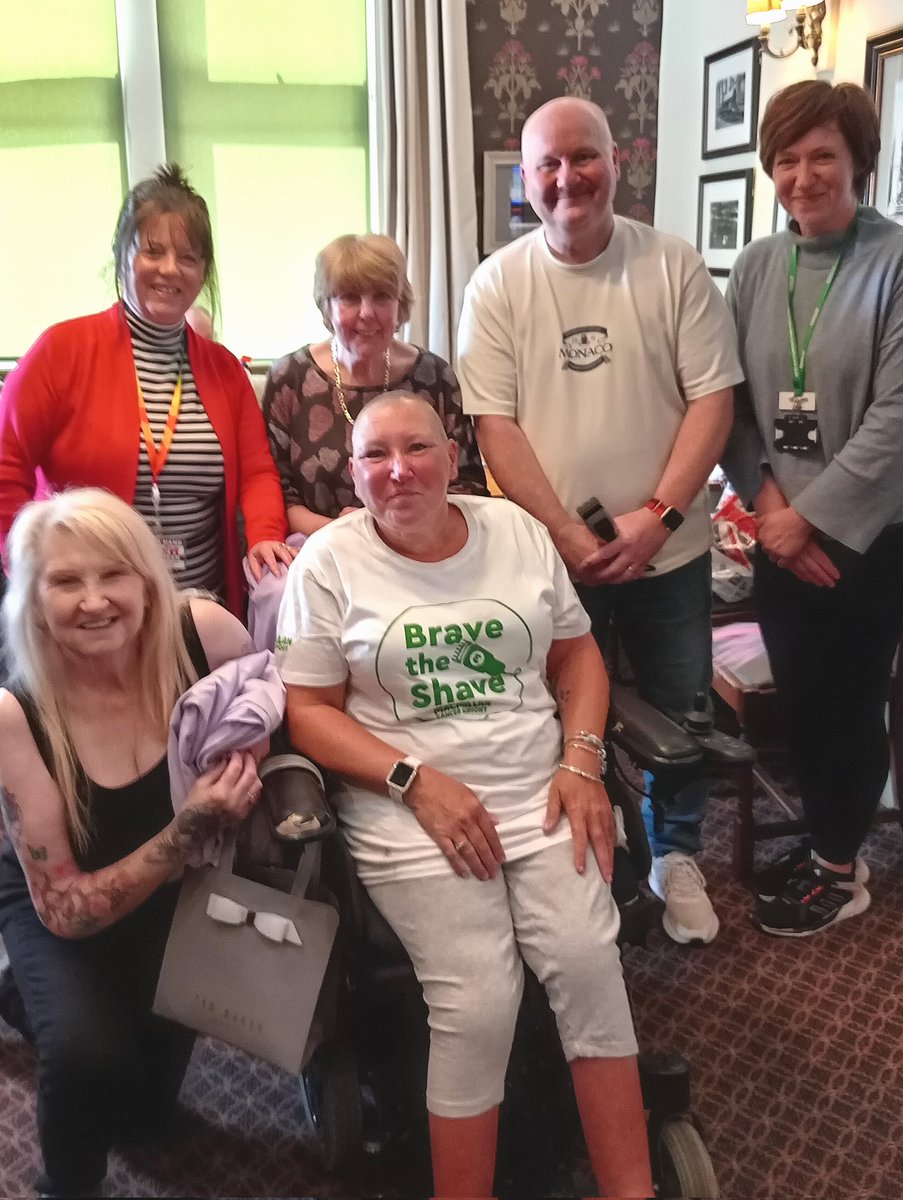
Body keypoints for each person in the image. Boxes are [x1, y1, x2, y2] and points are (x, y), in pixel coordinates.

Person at [277, 393, 653, 1199]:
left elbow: (577, 657)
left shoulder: (514, 531)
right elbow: (307, 713)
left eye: (416, 448)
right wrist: (415, 782)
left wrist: (582, 760)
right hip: (405, 804)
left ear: (454, 456)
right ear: (353, 474)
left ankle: (632, 1190)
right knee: (479, 998)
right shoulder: (329, 563)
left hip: (539, 787)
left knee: (588, 963)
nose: (398, 470)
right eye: (375, 456)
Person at [457, 97, 742, 945]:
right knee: (552, 715)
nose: (565, 177)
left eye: (583, 157)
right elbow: (493, 426)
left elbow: (712, 400)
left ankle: (675, 855)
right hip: (548, 560)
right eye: (546, 164)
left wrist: (656, 517)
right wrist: (566, 534)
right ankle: (598, 847)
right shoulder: (497, 282)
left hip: (672, 550)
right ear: (526, 179)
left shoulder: (673, 266)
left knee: (681, 710)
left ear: (616, 163)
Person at [0, 489, 264, 1197]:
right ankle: (65, 1183)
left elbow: (268, 699)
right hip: (62, 900)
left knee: (146, 1117)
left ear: (148, 579)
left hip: (178, 891)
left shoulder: (204, 632)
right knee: (87, 1059)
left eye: (112, 574)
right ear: (32, 600)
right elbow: (65, 910)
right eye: (65, 581)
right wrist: (189, 829)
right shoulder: (13, 714)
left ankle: (26, 1000)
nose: (93, 602)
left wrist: (247, 754)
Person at [721, 80, 903, 937]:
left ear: (859, 163)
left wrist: (808, 522)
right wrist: (771, 510)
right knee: (801, 700)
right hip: (779, 524)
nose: (801, 175)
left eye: (821, 157)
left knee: (847, 699)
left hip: (876, 531)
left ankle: (841, 872)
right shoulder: (756, 265)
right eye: (784, 159)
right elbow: (729, 401)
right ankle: (826, 842)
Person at [0, 164, 290, 620]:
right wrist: (25, 568)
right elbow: (6, 465)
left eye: (189, 257)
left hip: (201, 608)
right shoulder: (61, 351)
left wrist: (266, 534)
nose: (170, 270)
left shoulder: (225, 371)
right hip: (93, 613)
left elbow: (257, 471)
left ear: (203, 272)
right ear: (122, 256)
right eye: (152, 252)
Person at [262, 232, 488, 537]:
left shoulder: (434, 377)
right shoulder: (289, 377)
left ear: (400, 304)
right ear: (327, 307)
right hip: (319, 542)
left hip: (420, 543)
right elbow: (276, 493)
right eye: (350, 298)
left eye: (381, 296)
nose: (367, 313)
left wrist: (386, 532)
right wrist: (352, 534)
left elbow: (466, 485)